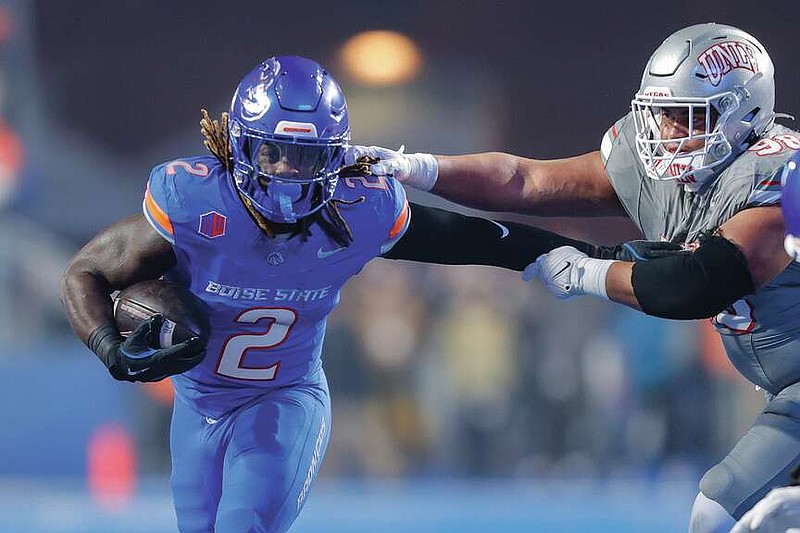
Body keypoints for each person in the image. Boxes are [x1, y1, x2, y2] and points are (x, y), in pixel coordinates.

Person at [59, 55, 617, 533]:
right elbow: (84, 273)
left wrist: (562, 258)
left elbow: (464, 237)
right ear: (238, 147)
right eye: (274, 152)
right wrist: (111, 349)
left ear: (334, 156)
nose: (286, 174)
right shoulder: (194, 204)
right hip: (197, 404)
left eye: (304, 157)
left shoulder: (357, 210)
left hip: (283, 398)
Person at [351, 23, 800, 533]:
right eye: (661, 114)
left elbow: (696, 283)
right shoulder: (658, 160)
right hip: (786, 387)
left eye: (688, 117)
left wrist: (583, 271)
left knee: (727, 516)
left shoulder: (780, 178)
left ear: (745, 115)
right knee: (721, 516)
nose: (667, 132)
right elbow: (526, 180)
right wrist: (421, 168)